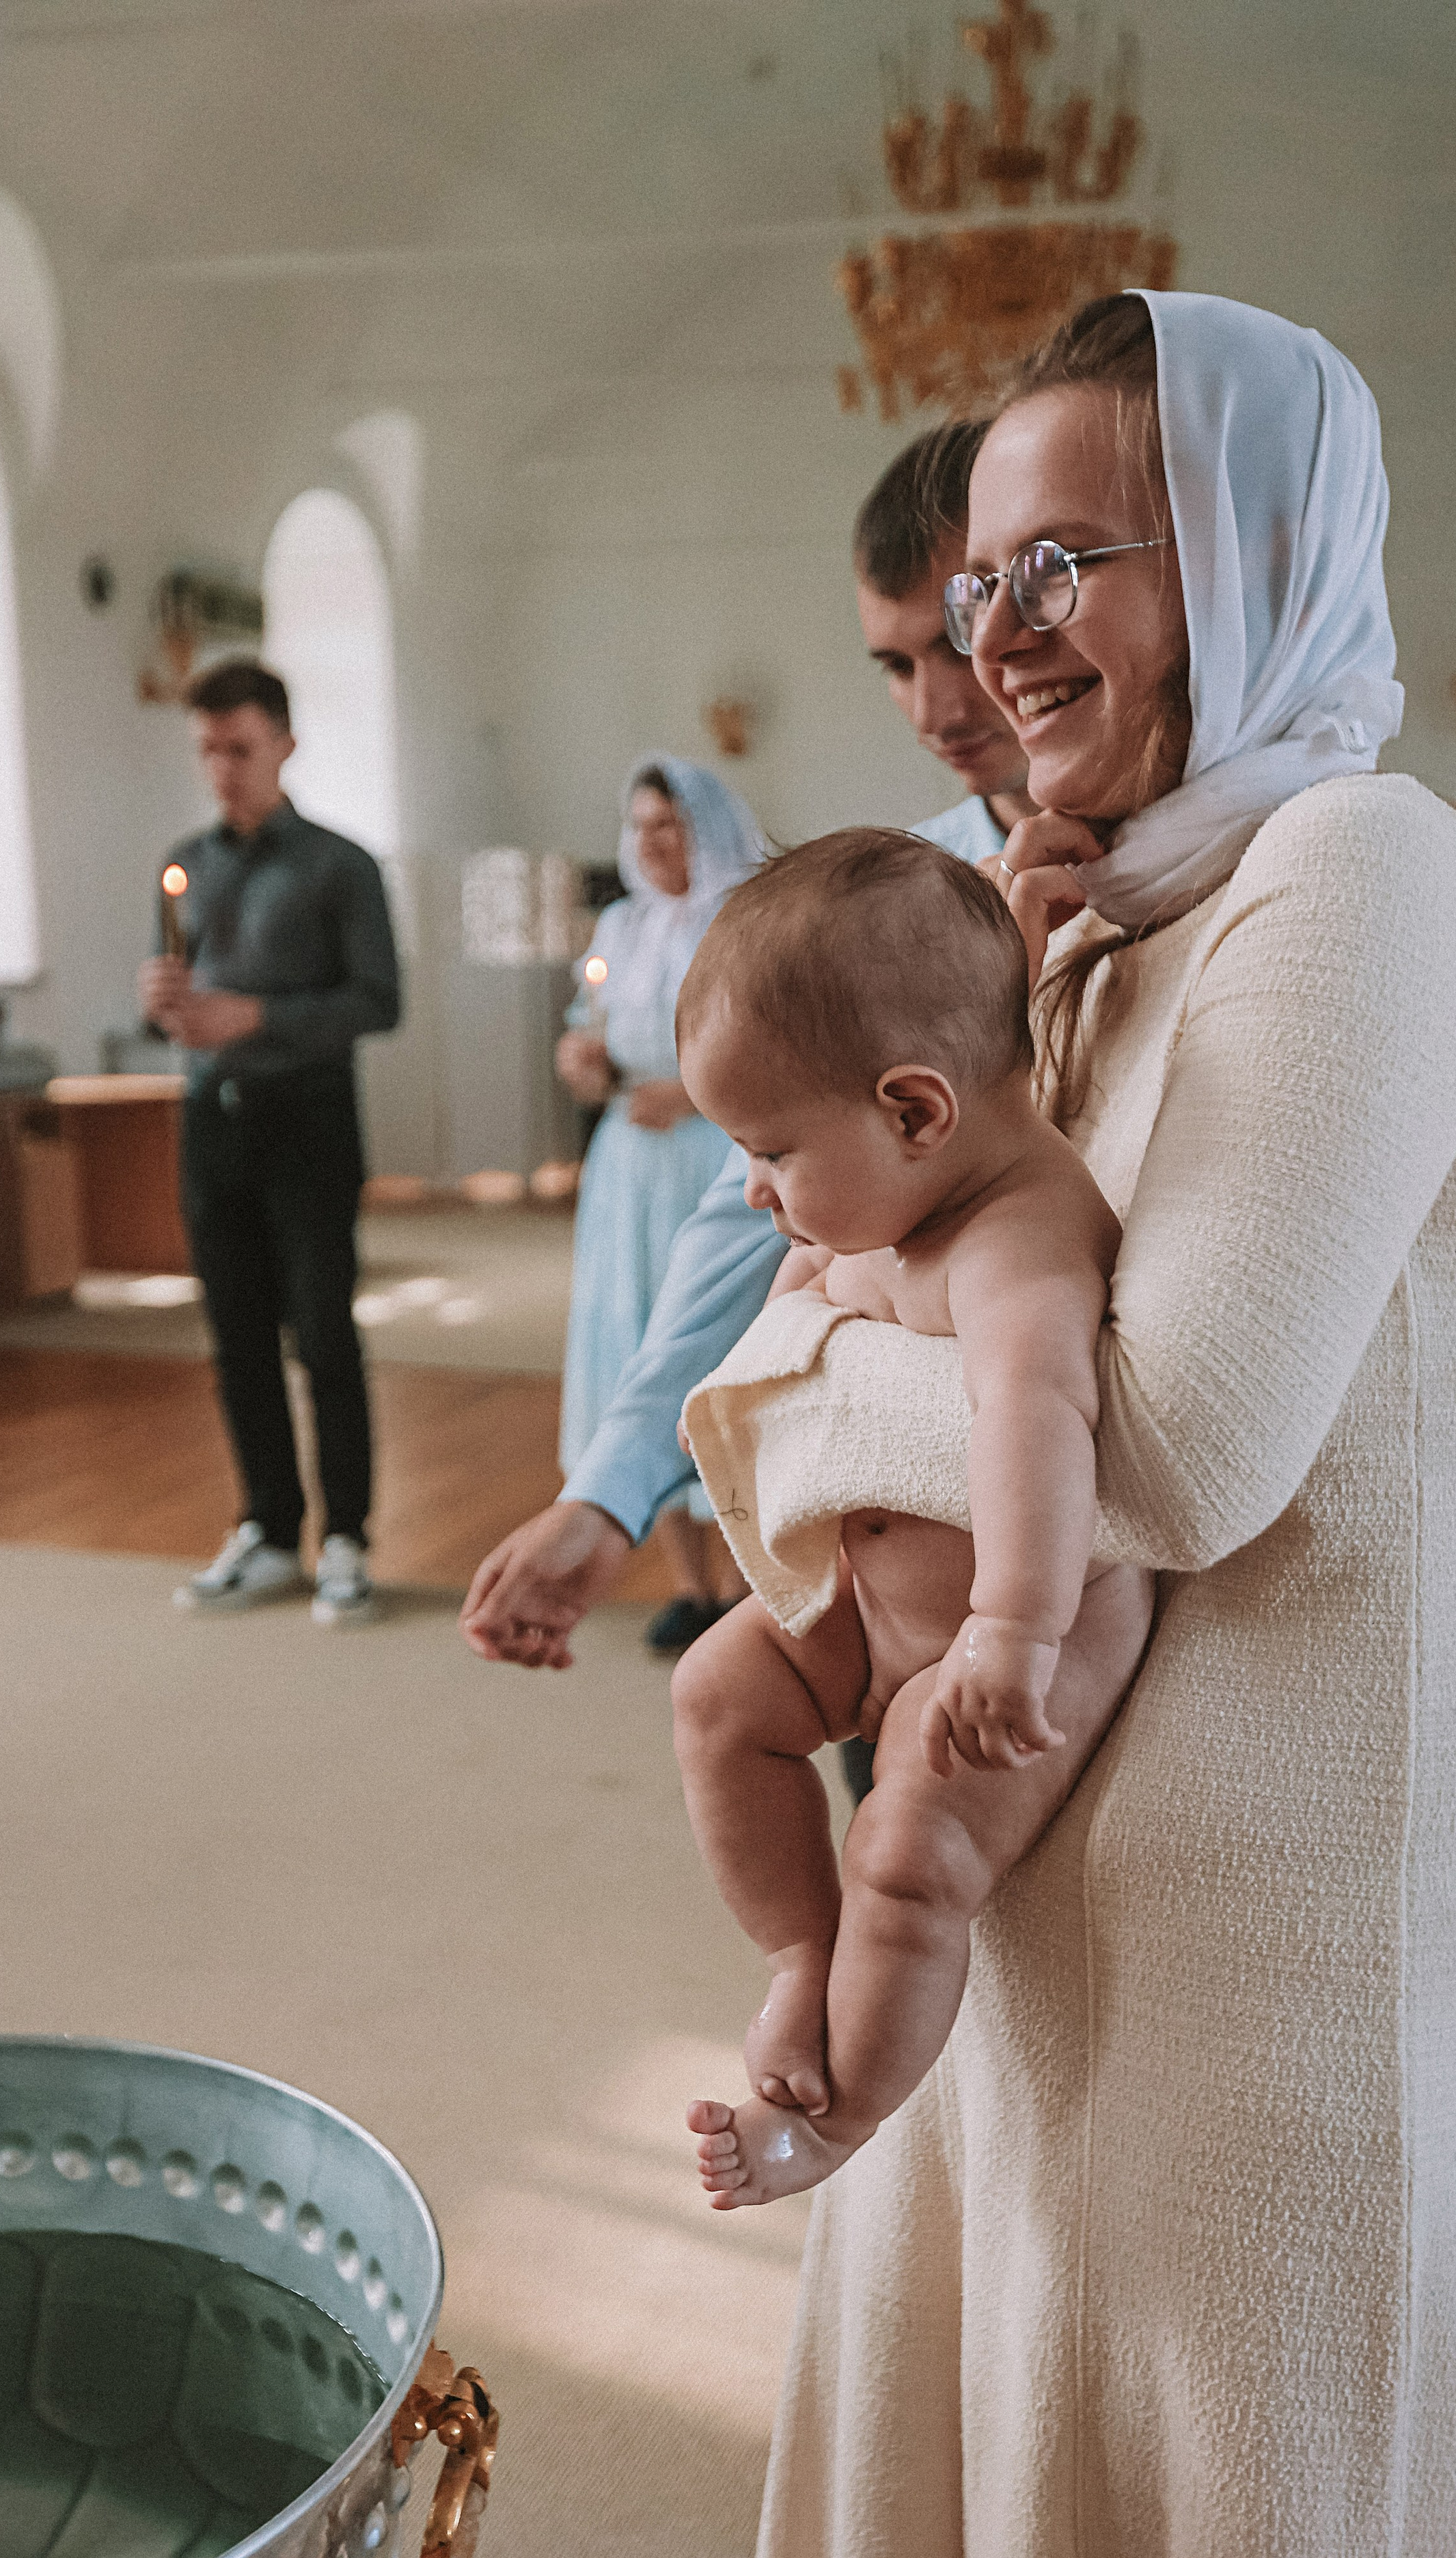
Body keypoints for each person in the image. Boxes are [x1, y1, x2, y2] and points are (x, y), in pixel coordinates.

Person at [739, 290, 1456, 2558]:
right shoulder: (1070, 913)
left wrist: (832, 1367)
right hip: (1002, 1913)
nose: (1000, 638)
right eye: (982, 579)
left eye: (1072, 561)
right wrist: (829, 1371)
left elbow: (1171, 1450)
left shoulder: (1369, 873)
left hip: (1263, 2007)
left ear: (1256, 542)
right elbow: (778, 1354)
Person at [461, 427, 1032, 1720]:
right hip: (896, 1510)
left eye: (960, 639)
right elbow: (746, 1207)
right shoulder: (896, 893)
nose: (944, 704)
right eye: (896, 664)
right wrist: (604, 1494)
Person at [663, 833, 1151, 2207]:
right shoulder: (902, 1189)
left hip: (987, 1652)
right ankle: (794, 1960)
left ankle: (833, 2125)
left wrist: (1010, 1634)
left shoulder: (1015, 1241)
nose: (756, 1188)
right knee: (715, 1694)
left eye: (769, 1150)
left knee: (905, 1854)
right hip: (868, 1612)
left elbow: (1036, 1421)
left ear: (917, 1113)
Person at [139, 659, 400, 1627]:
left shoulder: (341, 865)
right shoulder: (187, 862)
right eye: (208, 749)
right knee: (235, 1336)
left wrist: (250, 1015)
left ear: (284, 742)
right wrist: (166, 1007)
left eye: (240, 748)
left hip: (310, 1120)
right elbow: (184, 990)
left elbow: (380, 1001)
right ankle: (268, 1528)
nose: (223, 768)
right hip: (210, 1122)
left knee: (323, 1332)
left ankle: (346, 1538)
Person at [555, 756, 765, 1653]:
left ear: (706, 828)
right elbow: (585, 1023)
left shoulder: (745, 920)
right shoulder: (621, 924)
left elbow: (776, 1041)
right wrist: (581, 1059)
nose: (652, 841)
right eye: (640, 825)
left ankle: (750, 1579)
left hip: (715, 1153)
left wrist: (693, 1094)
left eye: (669, 824)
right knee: (632, 1341)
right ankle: (688, 1583)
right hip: (630, 1164)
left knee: (718, 1344)